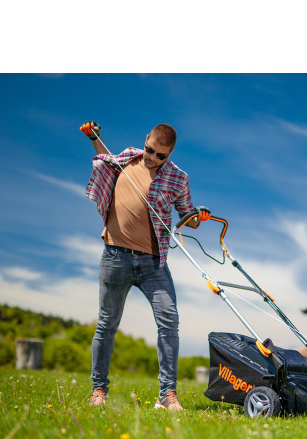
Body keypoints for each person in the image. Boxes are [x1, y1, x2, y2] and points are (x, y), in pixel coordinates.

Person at [80, 120, 210, 411]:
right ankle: (98, 390)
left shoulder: (179, 178)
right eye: (150, 150)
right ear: (146, 141)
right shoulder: (128, 157)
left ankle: (166, 395)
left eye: (160, 155)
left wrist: (197, 217)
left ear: (170, 153)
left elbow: (187, 215)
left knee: (169, 322)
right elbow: (106, 158)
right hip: (115, 256)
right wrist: (93, 137)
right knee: (106, 325)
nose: (152, 158)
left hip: (154, 262)